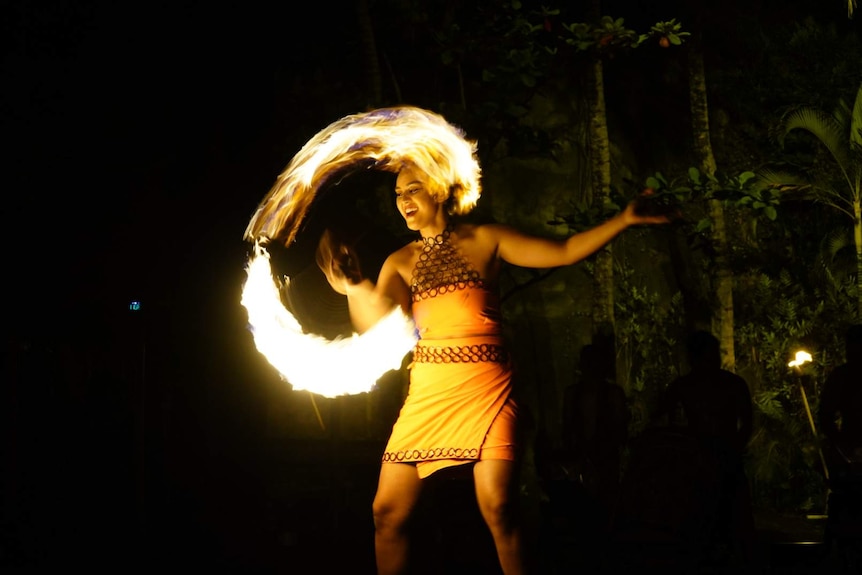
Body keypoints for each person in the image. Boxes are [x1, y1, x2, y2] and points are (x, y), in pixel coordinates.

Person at [317, 155, 671, 574]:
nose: (403, 201)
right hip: (428, 395)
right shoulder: (400, 261)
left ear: (441, 189)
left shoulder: (486, 239)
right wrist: (355, 287)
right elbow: (378, 330)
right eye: (397, 194)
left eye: (413, 189)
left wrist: (624, 219)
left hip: (487, 390)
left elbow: (565, 250)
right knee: (386, 513)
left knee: (499, 508)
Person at [652, 329, 755, 564]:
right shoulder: (689, 385)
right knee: (709, 521)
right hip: (699, 459)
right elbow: (661, 417)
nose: (714, 359)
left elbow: (746, 423)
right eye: (711, 354)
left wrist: (733, 450)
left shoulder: (692, 385)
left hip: (712, 457)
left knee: (723, 519)